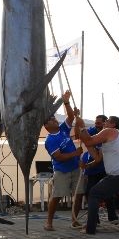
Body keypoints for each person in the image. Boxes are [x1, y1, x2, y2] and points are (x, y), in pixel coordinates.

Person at [43, 90, 83, 231]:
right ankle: (49, 222)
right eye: (51, 119)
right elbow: (58, 157)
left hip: (76, 168)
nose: (54, 119)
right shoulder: (50, 140)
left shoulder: (62, 130)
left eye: (54, 118)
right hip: (62, 171)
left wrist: (66, 102)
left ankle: (74, 220)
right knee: (57, 196)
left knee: (79, 194)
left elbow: (71, 116)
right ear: (46, 126)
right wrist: (75, 153)